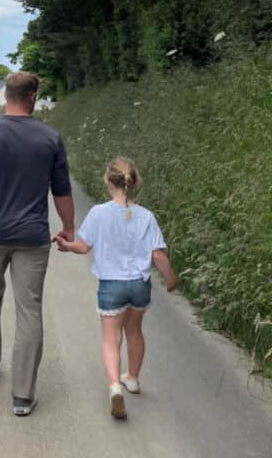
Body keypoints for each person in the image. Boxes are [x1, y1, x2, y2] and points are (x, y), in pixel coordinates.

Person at [0, 71, 75, 416]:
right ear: (33, 96)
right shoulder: (50, 138)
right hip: (33, 238)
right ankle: (23, 395)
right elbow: (61, 191)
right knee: (29, 309)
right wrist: (68, 228)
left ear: (6, 95)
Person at [53, 156, 178, 420]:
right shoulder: (146, 216)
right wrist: (171, 279)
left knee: (111, 340)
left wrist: (65, 246)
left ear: (109, 182)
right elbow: (157, 256)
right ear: (133, 182)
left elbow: (83, 246)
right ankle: (132, 378)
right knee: (134, 331)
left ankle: (115, 388)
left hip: (111, 285)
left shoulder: (99, 213)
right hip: (139, 286)